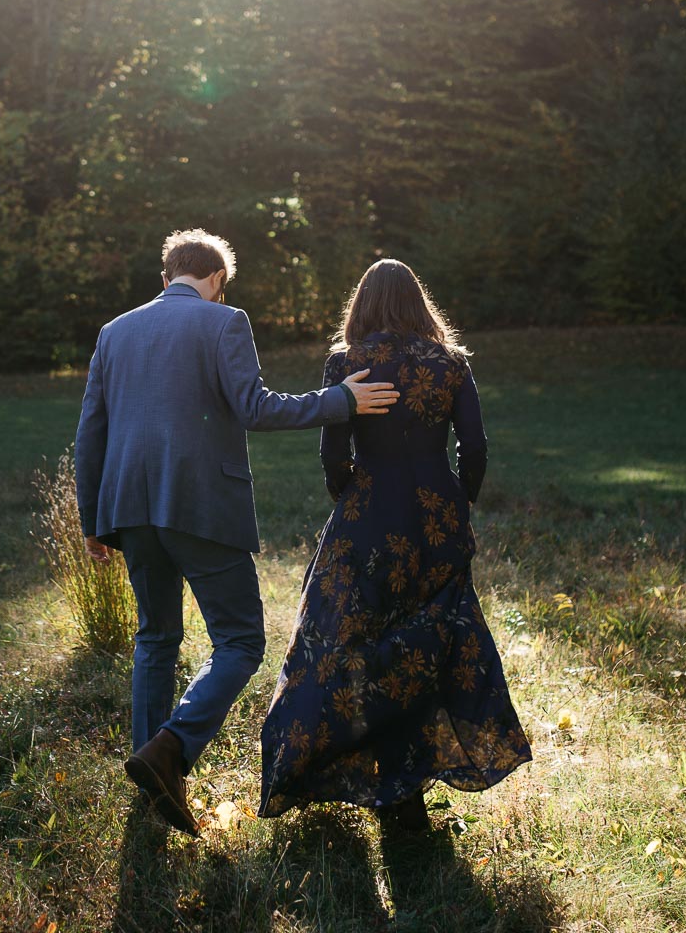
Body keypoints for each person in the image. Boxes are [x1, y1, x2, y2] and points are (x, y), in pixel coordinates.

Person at [75, 229, 399, 836]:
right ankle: (171, 747)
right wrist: (340, 401)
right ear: (216, 281)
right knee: (242, 642)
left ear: (168, 274)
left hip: (126, 508)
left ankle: (152, 774)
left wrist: (92, 517)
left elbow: (90, 431)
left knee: (155, 639)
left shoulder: (113, 332)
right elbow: (256, 407)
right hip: (201, 504)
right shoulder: (225, 323)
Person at [258, 258, 532, 833]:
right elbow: (475, 448)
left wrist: (348, 497)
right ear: (418, 303)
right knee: (430, 646)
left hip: (368, 515)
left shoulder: (347, 362)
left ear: (363, 304)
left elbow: (334, 453)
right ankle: (410, 790)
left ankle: (351, 771)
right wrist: (462, 501)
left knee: (348, 643)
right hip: (438, 519)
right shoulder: (450, 364)